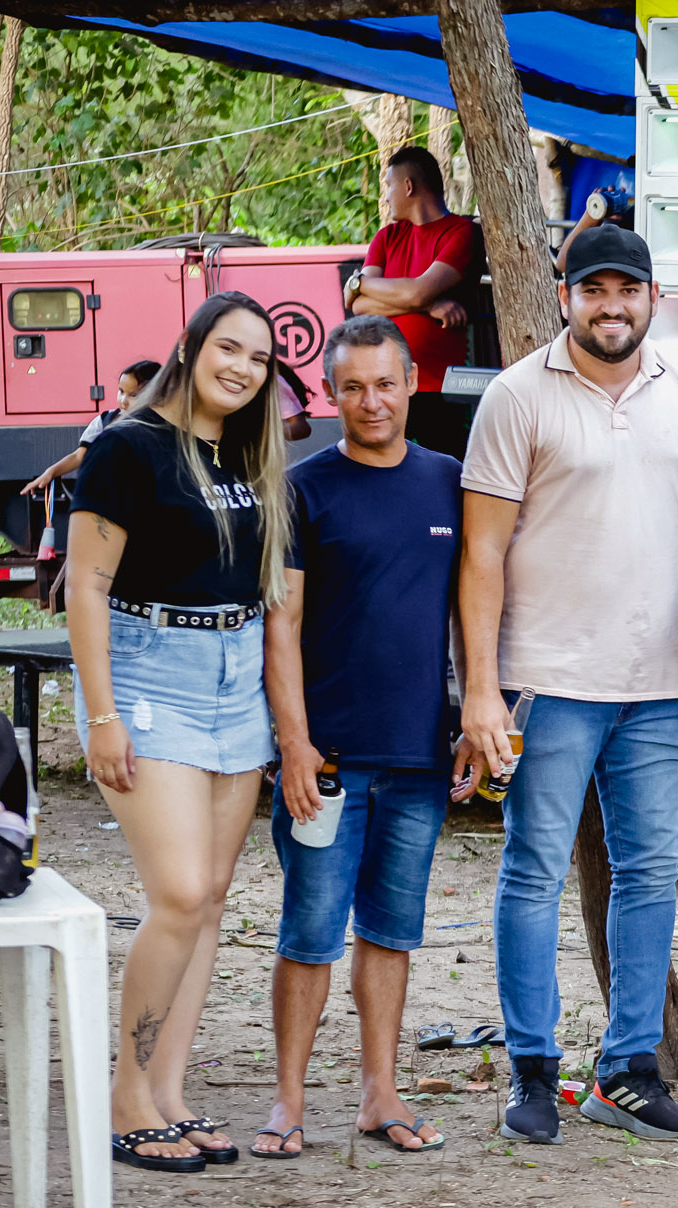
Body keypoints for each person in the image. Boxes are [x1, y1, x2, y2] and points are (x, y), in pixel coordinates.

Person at [457, 223, 678, 1146]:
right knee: (532, 870)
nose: (613, 306)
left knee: (649, 874)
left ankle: (629, 1071)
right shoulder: (516, 395)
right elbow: (481, 553)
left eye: (628, 290)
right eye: (595, 289)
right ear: (565, 294)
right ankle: (533, 1071)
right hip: (549, 678)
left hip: (663, 682)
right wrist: (481, 688)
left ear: (653, 298)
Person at [66, 292, 292, 1172]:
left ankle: (169, 1091)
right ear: (192, 347)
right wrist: (103, 715)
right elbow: (86, 586)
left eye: (259, 359)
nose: (243, 368)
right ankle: (127, 1095)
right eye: (229, 348)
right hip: (151, 671)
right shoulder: (128, 447)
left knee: (213, 896)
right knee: (180, 891)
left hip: (235, 674)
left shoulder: (243, 453)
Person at [251, 317, 461, 1158]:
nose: (371, 401)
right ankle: (288, 1101)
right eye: (353, 387)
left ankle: (381, 1092)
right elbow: (281, 624)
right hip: (327, 763)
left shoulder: (450, 481)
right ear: (331, 394)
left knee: (393, 929)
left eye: (384, 384)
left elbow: (473, 609)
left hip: (418, 757)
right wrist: (293, 743)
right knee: (309, 932)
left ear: (410, 383)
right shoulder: (303, 489)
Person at [345, 144, 481, 456]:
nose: (385, 196)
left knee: (445, 469)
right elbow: (358, 305)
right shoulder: (386, 237)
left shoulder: (461, 232)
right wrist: (428, 305)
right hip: (385, 384)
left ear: (408, 186)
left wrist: (362, 285)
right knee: (383, 467)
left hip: (440, 387)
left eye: (388, 186)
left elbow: (417, 290)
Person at [22, 360, 161, 495]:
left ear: (154, 394)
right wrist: (50, 472)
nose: (123, 400)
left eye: (133, 395)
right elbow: (79, 456)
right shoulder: (105, 420)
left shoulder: (161, 426)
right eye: (121, 391)